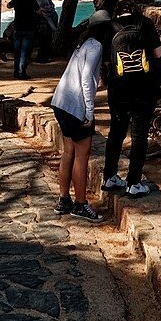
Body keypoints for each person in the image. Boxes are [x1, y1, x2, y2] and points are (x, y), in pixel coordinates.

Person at [101, 1, 161, 197]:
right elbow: (158, 53)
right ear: (134, 10)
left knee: (116, 133)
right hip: (143, 90)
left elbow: (105, 61)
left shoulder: (109, 27)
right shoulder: (145, 23)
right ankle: (134, 182)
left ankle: (109, 177)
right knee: (139, 137)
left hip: (118, 92)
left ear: (117, 12)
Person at [50, 19, 110, 222]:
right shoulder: (96, 46)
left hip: (61, 102)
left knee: (69, 152)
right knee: (81, 156)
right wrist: (89, 112)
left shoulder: (82, 44)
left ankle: (64, 199)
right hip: (76, 107)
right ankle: (81, 204)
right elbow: (86, 78)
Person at [7, 0, 43, 79]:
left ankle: (16, 72)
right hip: (29, 29)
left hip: (18, 28)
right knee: (24, 52)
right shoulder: (32, 1)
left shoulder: (17, 0)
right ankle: (21, 72)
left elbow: (8, 5)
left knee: (17, 52)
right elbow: (39, 12)